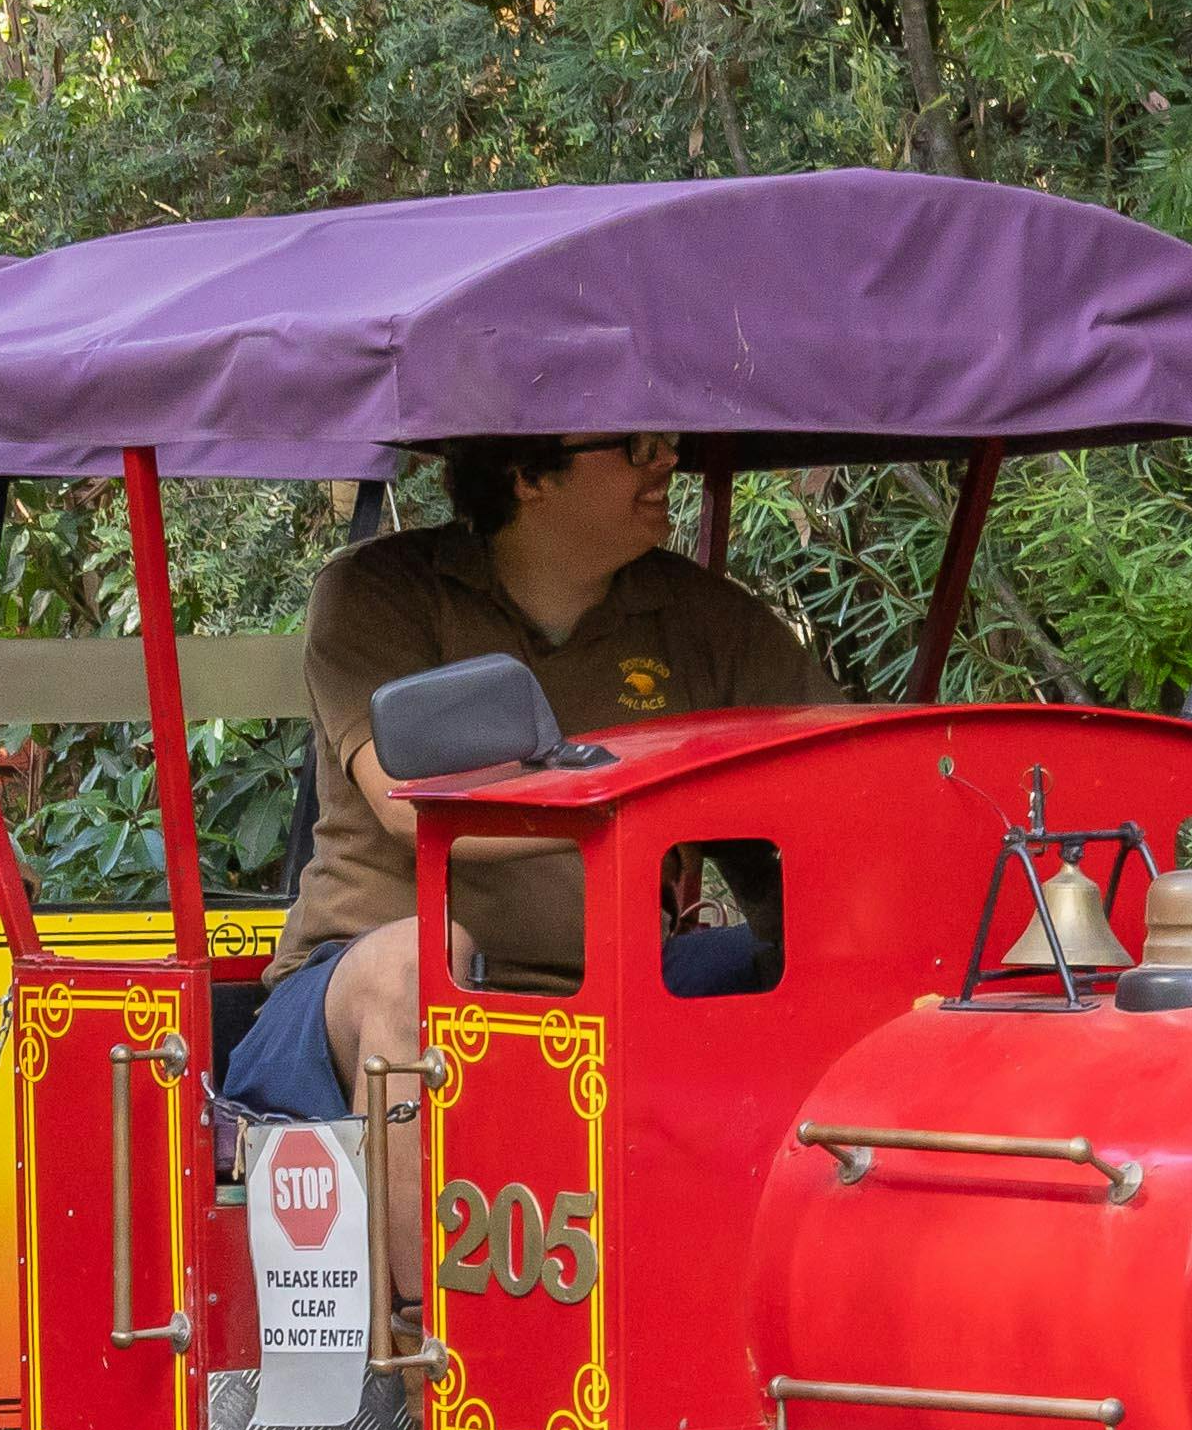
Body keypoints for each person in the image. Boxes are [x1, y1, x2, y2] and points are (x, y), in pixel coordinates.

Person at [216, 428, 830, 1138]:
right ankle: (420, 1254)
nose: (667, 458)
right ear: (527, 474)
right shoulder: (382, 591)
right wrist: (650, 793)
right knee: (416, 964)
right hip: (347, 997)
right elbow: (409, 806)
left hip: (617, 995)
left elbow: (844, 785)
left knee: (855, 965)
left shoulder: (706, 618)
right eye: (634, 444)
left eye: (668, 438)